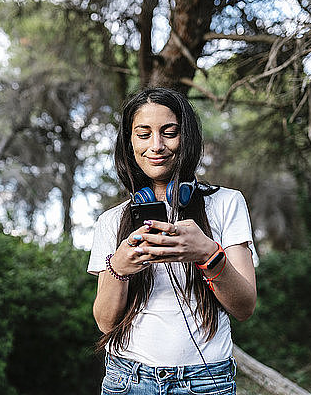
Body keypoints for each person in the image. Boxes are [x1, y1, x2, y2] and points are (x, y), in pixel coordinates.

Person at [87, 87, 258, 395]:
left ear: (187, 137)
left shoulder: (226, 203)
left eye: (169, 132)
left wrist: (207, 253)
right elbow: (104, 322)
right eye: (143, 134)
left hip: (206, 381)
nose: (157, 145)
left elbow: (244, 308)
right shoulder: (110, 221)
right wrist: (120, 267)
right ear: (129, 142)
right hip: (128, 380)